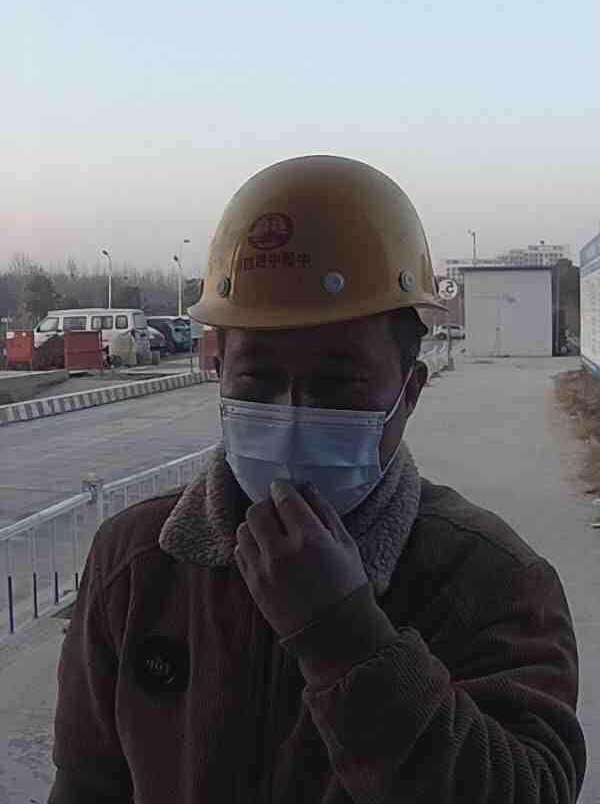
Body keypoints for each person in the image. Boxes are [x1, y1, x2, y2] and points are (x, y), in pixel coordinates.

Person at [49, 155, 586, 803]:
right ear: (219, 375)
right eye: (258, 380)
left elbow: (531, 788)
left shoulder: (492, 582)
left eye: (337, 384)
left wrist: (346, 638)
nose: (292, 415)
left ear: (410, 392)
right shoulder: (134, 564)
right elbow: (86, 783)